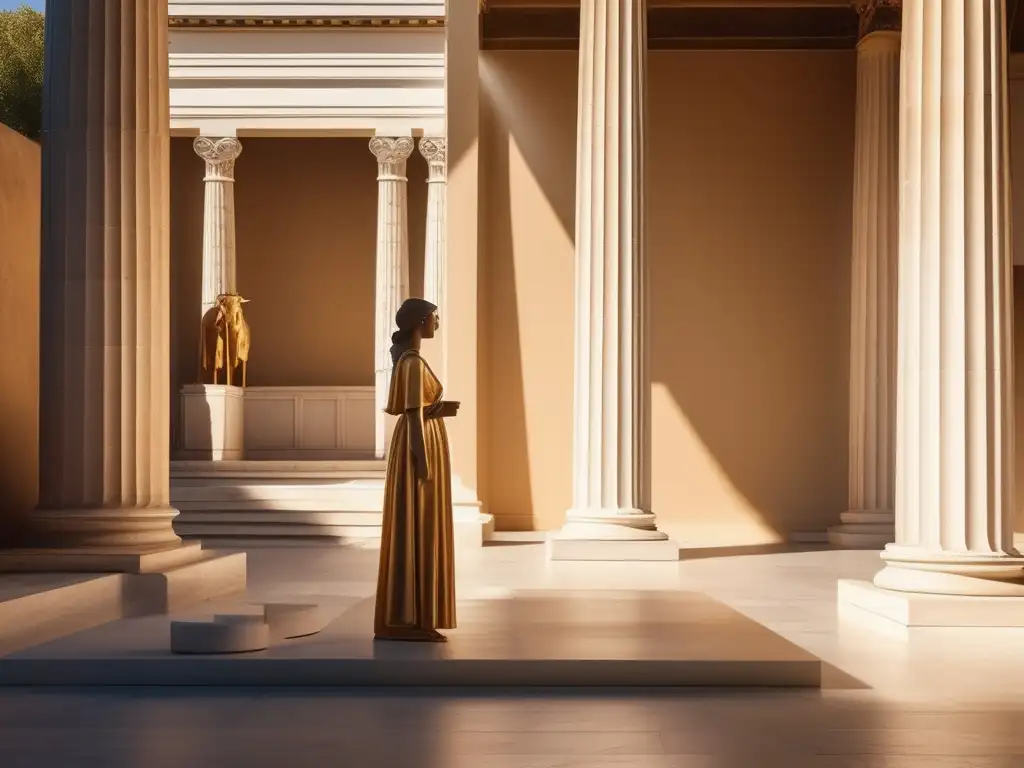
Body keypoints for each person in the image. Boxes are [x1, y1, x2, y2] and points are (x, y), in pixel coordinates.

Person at [373, 297, 460, 642]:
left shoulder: (412, 361)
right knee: (416, 523)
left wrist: (439, 411)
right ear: (420, 321)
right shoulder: (411, 363)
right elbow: (411, 417)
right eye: (434, 318)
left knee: (421, 525)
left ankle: (416, 617)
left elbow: (419, 411)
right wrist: (421, 463)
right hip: (416, 449)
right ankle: (406, 620)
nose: (437, 323)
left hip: (421, 442)